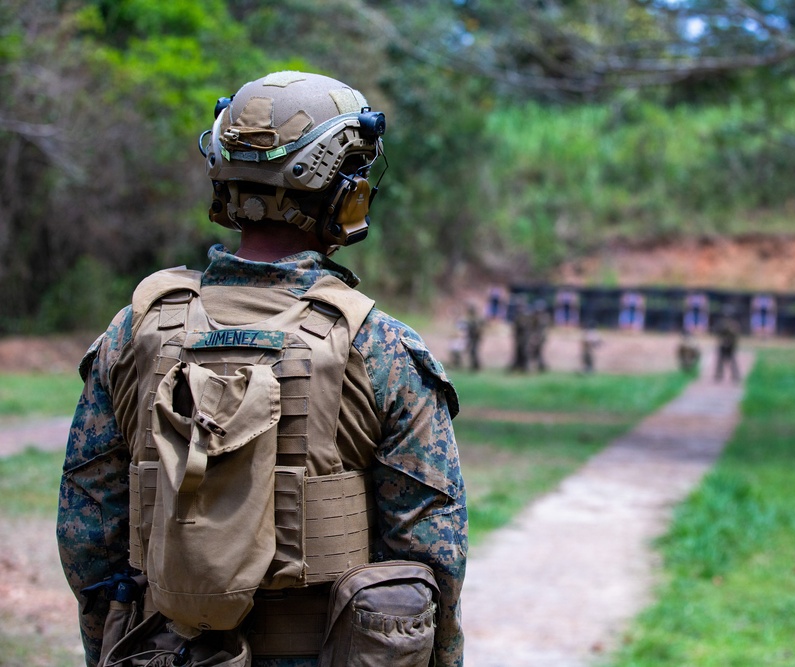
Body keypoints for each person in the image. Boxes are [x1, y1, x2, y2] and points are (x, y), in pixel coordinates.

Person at [57, 71, 467, 667]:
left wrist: (111, 648)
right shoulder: (379, 346)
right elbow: (431, 556)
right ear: (338, 186)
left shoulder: (134, 332)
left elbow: (88, 532)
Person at [714, 306, 741, 382]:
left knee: (732, 360)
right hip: (723, 344)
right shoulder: (721, 323)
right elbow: (717, 333)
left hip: (731, 345)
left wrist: (731, 342)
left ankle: (735, 375)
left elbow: (736, 336)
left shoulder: (734, 325)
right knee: (720, 360)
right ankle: (719, 374)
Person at [462, 303, 484, 372]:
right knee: (472, 352)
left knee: (473, 351)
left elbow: (478, 329)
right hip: (472, 337)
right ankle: (474, 366)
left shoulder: (475, 319)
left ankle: (476, 366)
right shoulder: (471, 319)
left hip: (475, 338)